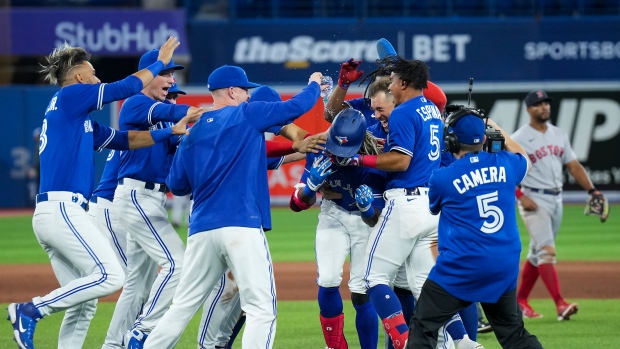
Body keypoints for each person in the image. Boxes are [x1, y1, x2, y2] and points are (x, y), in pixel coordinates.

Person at [7, 37, 200, 349]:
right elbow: (122, 88)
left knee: (84, 305)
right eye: (93, 73)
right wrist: (160, 61)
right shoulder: (71, 96)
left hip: (54, 213)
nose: (97, 78)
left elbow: (124, 140)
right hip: (62, 210)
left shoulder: (75, 117)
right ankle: (31, 310)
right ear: (80, 77)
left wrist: (170, 131)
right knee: (111, 276)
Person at [142, 66, 324, 349]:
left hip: (202, 230)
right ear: (231, 91)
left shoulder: (192, 131)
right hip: (241, 225)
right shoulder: (246, 113)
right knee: (261, 309)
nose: (247, 95)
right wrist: (314, 83)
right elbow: (297, 106)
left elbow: (176, 186)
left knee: (181, 308)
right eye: (244, 90)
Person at [407, 111, 544, 349]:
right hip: (503, 265)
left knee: (423, 327)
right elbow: (525, 158)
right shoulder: (506, 163)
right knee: (514, 334)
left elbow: (434, 207)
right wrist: (495, 127)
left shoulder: (443, 177)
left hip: (461, 268)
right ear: (483, 139)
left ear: (449, 141)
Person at [111, 49, 206, 349]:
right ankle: (141, 331)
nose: (171, 79)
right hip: (137, 195)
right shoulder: (137, 103)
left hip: (150, 200)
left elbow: (184, 143)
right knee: (177, 264)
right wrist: (208, 112)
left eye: (172, 73)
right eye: (164, 73)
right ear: (148, 76)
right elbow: (169, 113)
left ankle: (112, 345)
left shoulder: (162, 115)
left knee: (136, 286)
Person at [290, 108, 386, 349]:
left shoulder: (375, 157)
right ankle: (335, 346)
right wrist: (310, 188)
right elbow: (296, 205)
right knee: (328, 278)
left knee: (362, 289)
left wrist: (366, 209)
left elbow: (376, 219)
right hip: (333, 213)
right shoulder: (320, 148)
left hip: (364, 221)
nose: (339, 154)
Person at [512, 90, 606, 320]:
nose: (544, 107)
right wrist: (520, 196)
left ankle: (520, 301)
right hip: (534, 200)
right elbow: (504, 171)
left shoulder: (559, 134)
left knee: (536, 253)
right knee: (547, 252)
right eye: (537, 104)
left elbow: (573, 166)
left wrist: (592, 190)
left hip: (557, 198)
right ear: (528, 110)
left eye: (546, 103)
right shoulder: (518, 138)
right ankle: (560, 304)